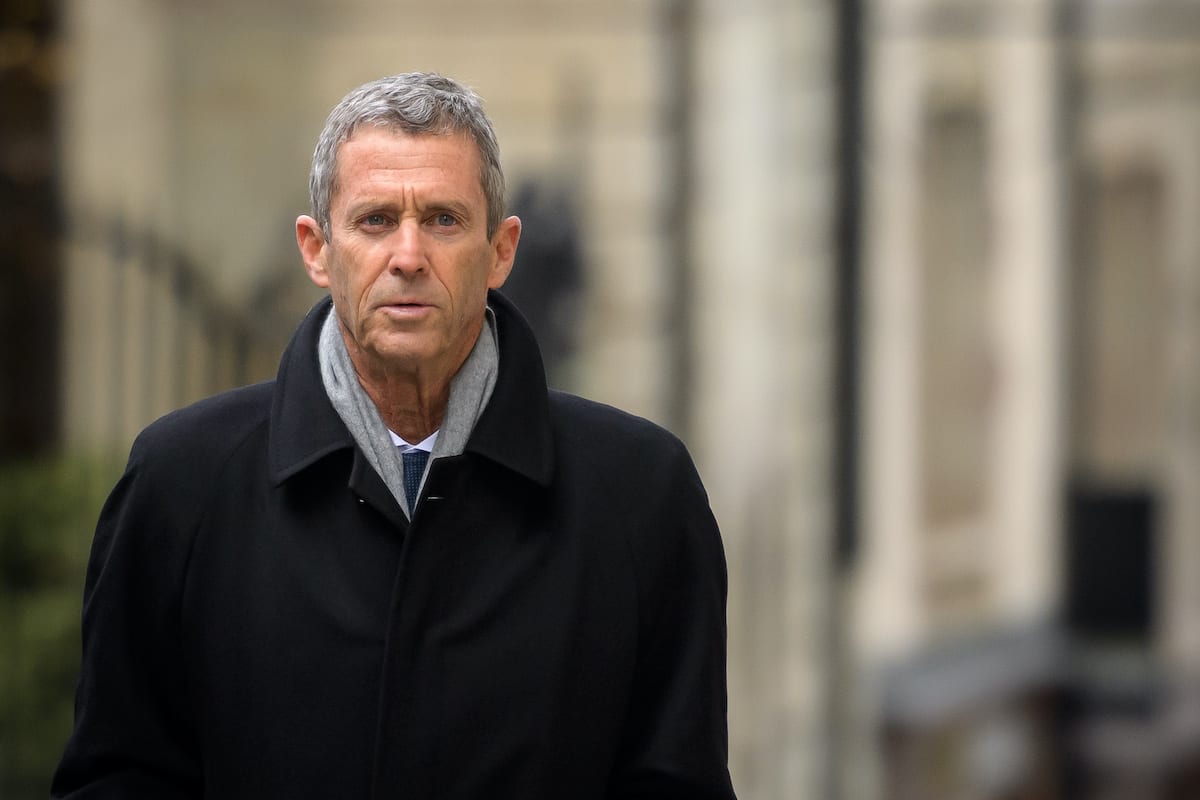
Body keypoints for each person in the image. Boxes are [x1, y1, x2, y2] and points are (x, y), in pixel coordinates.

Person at [52, 72, 735, 799]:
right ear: (316, 250)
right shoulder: (179, 486)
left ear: (501, 250)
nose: (408, 256)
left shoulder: (640, 494)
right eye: (376, 220)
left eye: (443, 219)